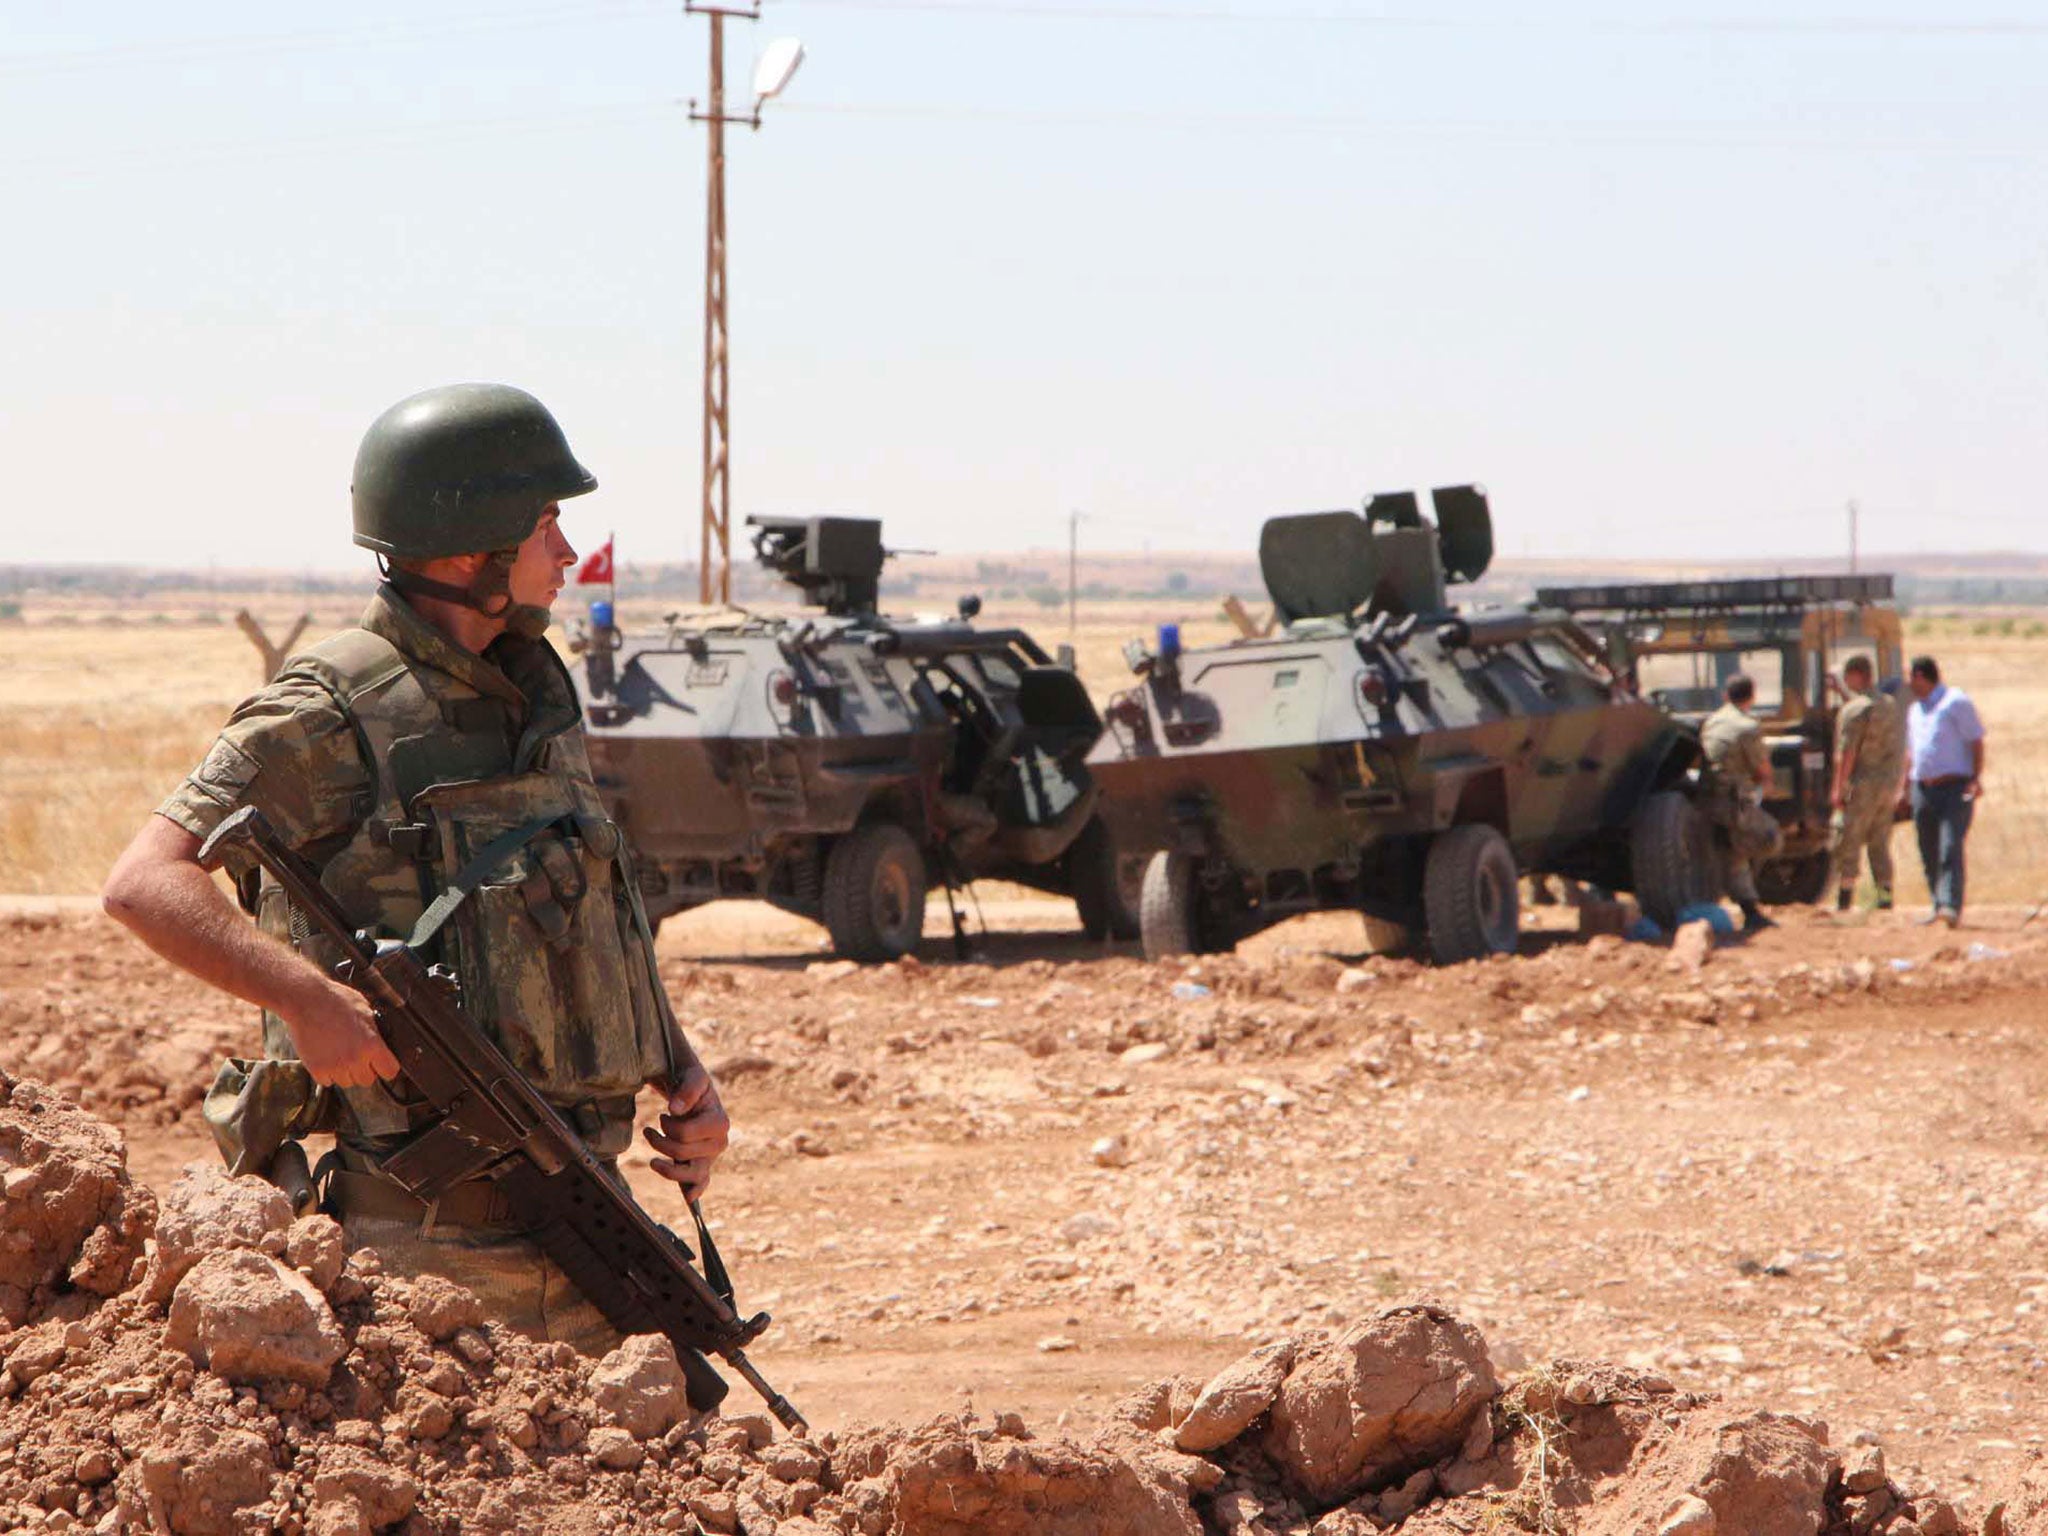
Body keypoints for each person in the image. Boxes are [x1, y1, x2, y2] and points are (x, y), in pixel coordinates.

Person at [102, 383, 729, 1352]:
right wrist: (305, 1000)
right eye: (545, 524)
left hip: (587, 1206)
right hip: (422, 1256)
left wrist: (676, 1068)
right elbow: (146, 880)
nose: (565, 551)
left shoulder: (534, 696)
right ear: (466, 545)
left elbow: (587, 911)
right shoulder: (334, 705)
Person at [1902, 654, 1986, 927]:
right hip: (1923, 788)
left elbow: (1976, 740)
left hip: (1955, 786)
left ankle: (1951, 906)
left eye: (1910, 678)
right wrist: (1903, 787)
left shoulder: (1955, 702)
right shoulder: (1915, 710)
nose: (1908, 684)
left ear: (1920, 676)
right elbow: (1911, 752)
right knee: (1928, 848)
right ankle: (1937, 904)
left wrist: (1975, 778)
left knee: (1950, 846)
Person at [1700, 673, 1784, 933]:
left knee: (1732, 851)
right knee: (1769, 838)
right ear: (1752, 697)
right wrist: (1766, 787)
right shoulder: (1748, 726)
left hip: (1707, 799)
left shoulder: (1711, 721)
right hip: (1732, 802)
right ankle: (1749, 905)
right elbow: (1763, 770)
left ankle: (1747, 905)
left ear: (1726, 695)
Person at [1823, 655, 1905, 912]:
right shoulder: (1889, 704)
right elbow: (1867, 714)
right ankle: (1884, 899)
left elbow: (1845, 753)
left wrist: (1838, 788)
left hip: (1861, 785)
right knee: (1879, 842)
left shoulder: (1853, 710)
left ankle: (1845, 899)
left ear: (1856, 675)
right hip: (1886, 784)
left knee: (1849, 840)